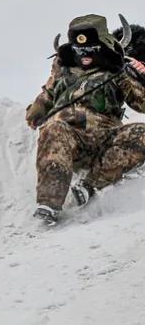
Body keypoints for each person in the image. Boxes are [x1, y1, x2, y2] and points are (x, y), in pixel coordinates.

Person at [25, 14, 145, 225]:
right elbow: (45, 98)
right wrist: (35, 113)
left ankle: (90, 186)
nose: (85, 55)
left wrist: (124, 74)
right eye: (80, 51)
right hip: (69, 137)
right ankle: (49, 204)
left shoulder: (117, 70)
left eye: (91, 50)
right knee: (54, 128)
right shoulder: (63, 71)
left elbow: (141, 103)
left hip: (106, 137)